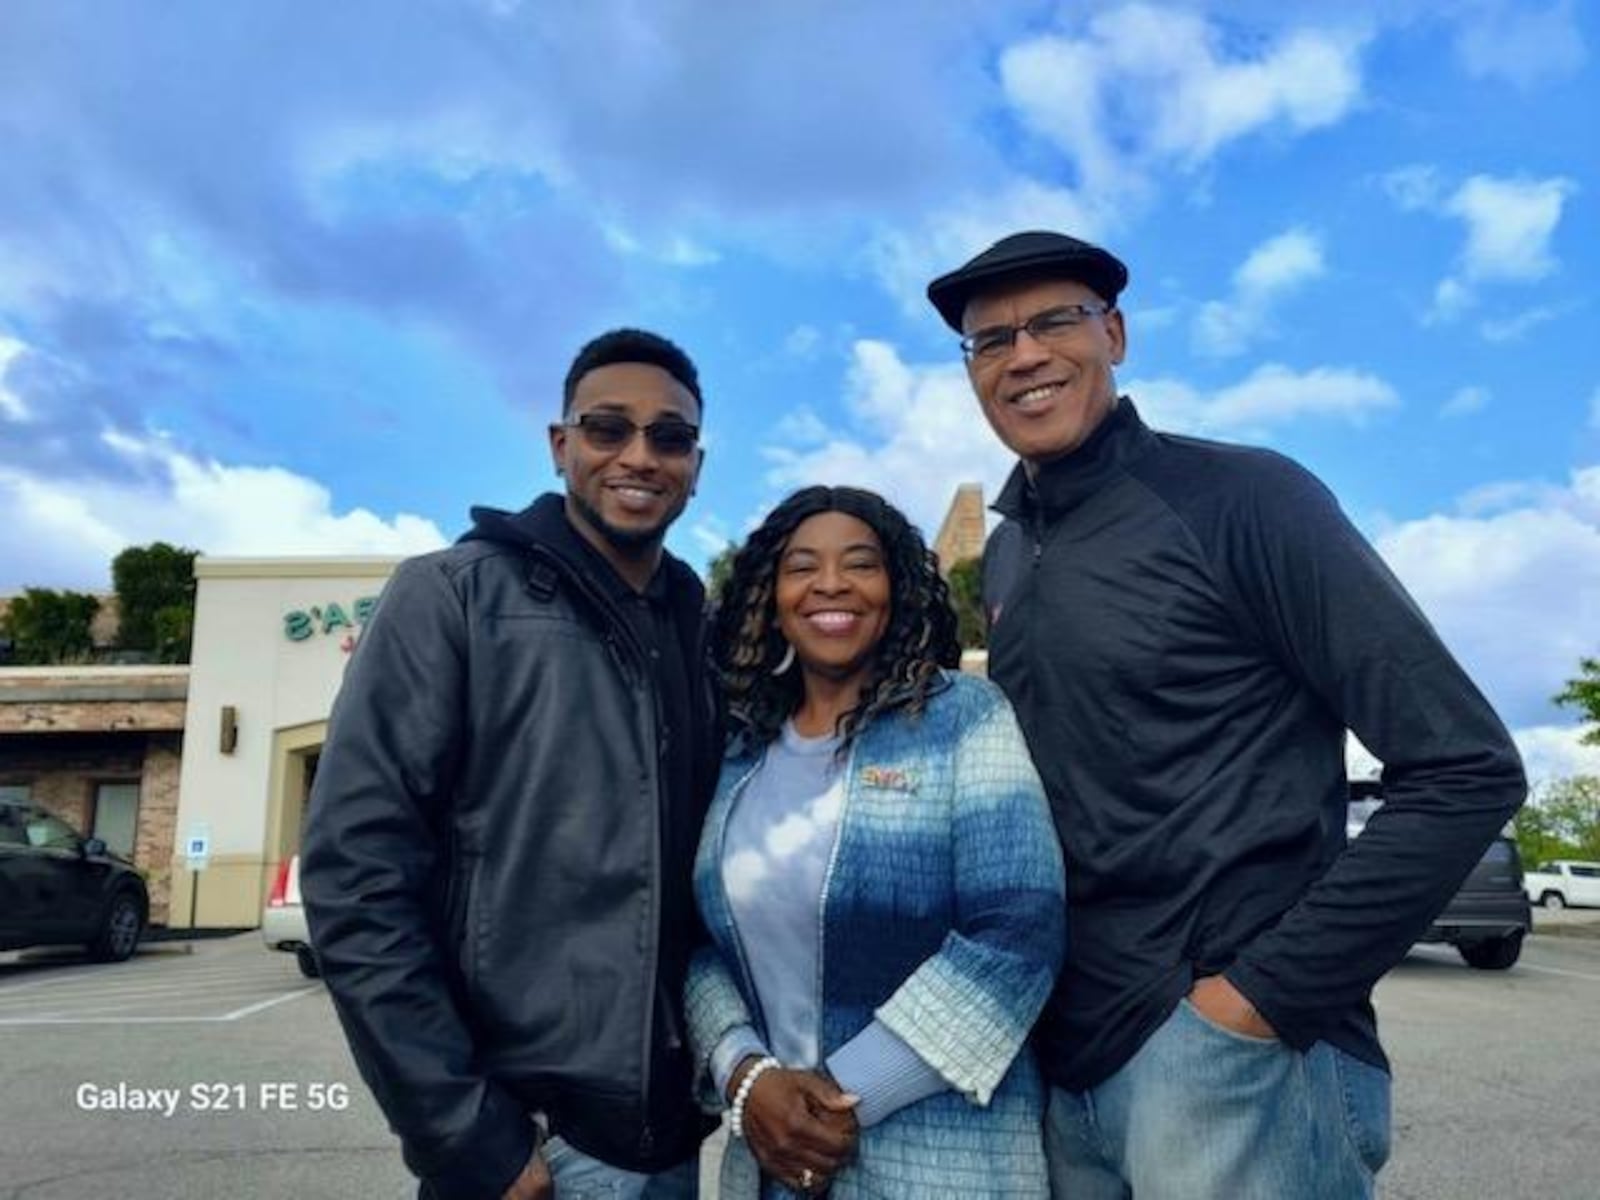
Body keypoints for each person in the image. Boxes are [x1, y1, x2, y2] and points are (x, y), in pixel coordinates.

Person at [924, 230, 1528, 1199]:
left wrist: (1254, 1005)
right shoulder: (1007, 556)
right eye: (990, 341)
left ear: (1114, 334)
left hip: (1225, 1059)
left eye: (1053, 322)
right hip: (1064, 1059)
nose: (1023, 355)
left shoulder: (1243, 500)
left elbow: (1465, 767)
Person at [301, 328, 721, 1200]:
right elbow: (355, 876)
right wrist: (464, 1132)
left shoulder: (700, 626)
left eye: (669, 437)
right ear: (561, 444)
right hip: (524, 1145)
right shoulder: (449, 596)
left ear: (696, 461)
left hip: (669, 1141)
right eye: (608, 429)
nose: (639, 455)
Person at [685, 485, 1065, 1199]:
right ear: (771, 594)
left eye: (859, 563)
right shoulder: (742, 752)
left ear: (895, 588)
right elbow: (705, 943)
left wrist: (835, 1096)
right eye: (802, 566)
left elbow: (1020, 932)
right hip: (770, 1166)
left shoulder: (962, 717)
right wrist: (746, 1074)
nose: (830, 583)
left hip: (946, 1164)